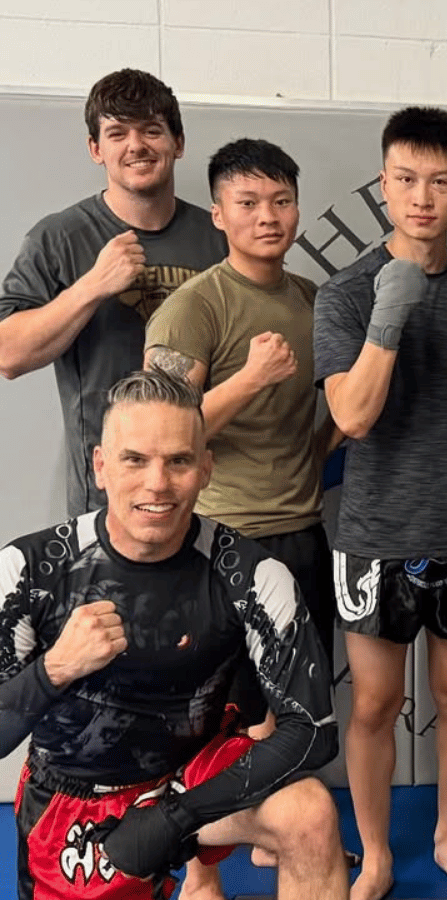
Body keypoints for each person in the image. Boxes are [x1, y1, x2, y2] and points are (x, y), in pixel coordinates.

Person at [0, 367, 345, 900]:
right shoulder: (31, 569)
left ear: (206, 468)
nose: (157, 483)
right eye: (135, 459)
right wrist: (54, 669)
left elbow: (312, 731)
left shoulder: (250, 575)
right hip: (73, 799)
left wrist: (174, 817)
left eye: (178, 461)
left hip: (191, 780)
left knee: (309, 813)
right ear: (100, 467)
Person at [313, 106, 447, 900]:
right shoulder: (347, 292)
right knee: (375, 704)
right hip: (375, 535)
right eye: (407, 179)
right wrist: (393, 307)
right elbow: (352, 415)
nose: (423, 197)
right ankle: (378, 854)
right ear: (384, 185)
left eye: (441, 181)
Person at [144, 137, 337, 708]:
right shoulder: (195, 305)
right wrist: (251, 378)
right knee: (229, 714)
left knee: (303, 711)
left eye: (281, 201)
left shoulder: (313, 300)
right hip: (222, 537)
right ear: (218, 215)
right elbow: (159, 434)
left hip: (303, 533)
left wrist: (317, 453)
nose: (267, 217)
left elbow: (341, 412)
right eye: (248, 203)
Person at [0, 69, 226, 516]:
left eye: (151, 130)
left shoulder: (219, 236)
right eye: (117, 133)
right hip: (107, 495)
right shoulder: (60, 237)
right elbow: (8, 354)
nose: (136, 145)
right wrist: (92, 286)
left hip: (212, 490)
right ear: (95, 149)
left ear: (178, 143)